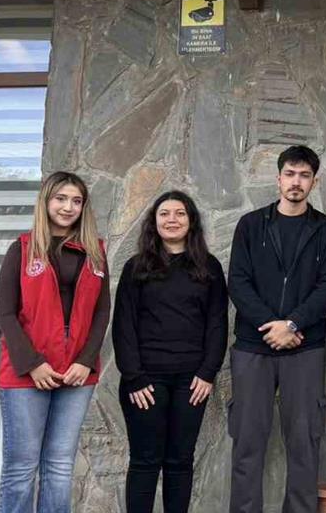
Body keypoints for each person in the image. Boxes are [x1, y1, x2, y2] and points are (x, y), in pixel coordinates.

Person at [227, 145, 326, 513]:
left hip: (305, 346)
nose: (296, 182)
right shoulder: (251, 225)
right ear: (278, 179)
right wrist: (271, 327)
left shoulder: (325, 229)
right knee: (247, 443)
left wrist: (292, 324)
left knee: (304, 443)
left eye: (304, 175)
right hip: (253, 346)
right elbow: (238, 281)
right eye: (290, 174)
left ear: (314, 182)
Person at [0, 171, 110, 513]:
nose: (68, 207)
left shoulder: (95, 253)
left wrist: (86, 361)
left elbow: (102, 312)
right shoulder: (22, 249)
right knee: (21, 469)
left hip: (77, 373)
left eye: (76, 201)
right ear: (46, 201)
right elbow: (5, 313)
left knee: (60, 467)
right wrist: (32, 364)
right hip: (27, 372)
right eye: (61, 199)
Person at [112, 191, 228, 513]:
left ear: (191, 221)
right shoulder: (136, 268)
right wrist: (134, 377)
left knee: (180, 461)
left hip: (192, 383)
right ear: (154, 221)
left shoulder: (209, 267)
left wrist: (208, 372)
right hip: (145, 382)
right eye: (164, 214)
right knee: (145, 460)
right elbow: (123, 324)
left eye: (180, 213)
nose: (172, 219)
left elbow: (217, 322)